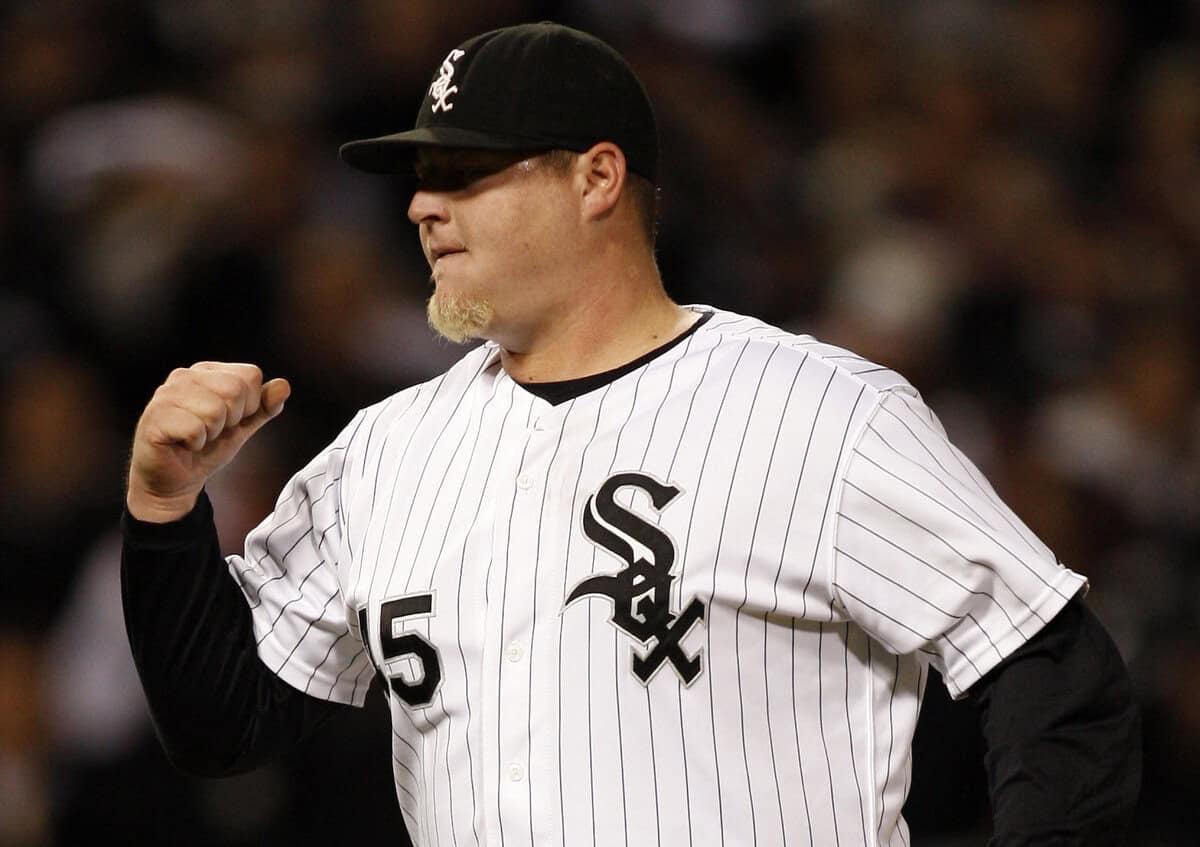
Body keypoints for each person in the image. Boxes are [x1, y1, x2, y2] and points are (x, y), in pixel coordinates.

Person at [121, 21, 1140, 847]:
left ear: (596, 178)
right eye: (421, 179)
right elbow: (225, 722)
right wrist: (164, 507)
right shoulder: (384, 453)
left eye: (466, 173)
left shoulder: (819, 413)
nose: (423, 206)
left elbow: (1049, 666)